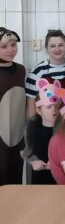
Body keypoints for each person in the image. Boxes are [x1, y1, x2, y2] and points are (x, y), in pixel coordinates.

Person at [21, 78, 60, 185]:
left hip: (60, 176)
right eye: (49, 107)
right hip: (40, 176)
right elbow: (26, 150)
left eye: (56, 106)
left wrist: (58, 162)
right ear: (38, 110)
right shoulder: (32, 128)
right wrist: (33, 161)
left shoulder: (63, 128)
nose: (54, 110)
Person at [0, 27, 26, 185]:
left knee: (15, 177)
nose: (11, 50)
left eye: (13, 45)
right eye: (4, 46)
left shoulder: (20, 70)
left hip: (17, 136)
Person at [25, 29, 65, 118]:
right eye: (52, 46)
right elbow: (31, 104)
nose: (57, 49)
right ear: (46, 48)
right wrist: (33, 125)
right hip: (44, 122)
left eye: (61, 45)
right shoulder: (37, 72)